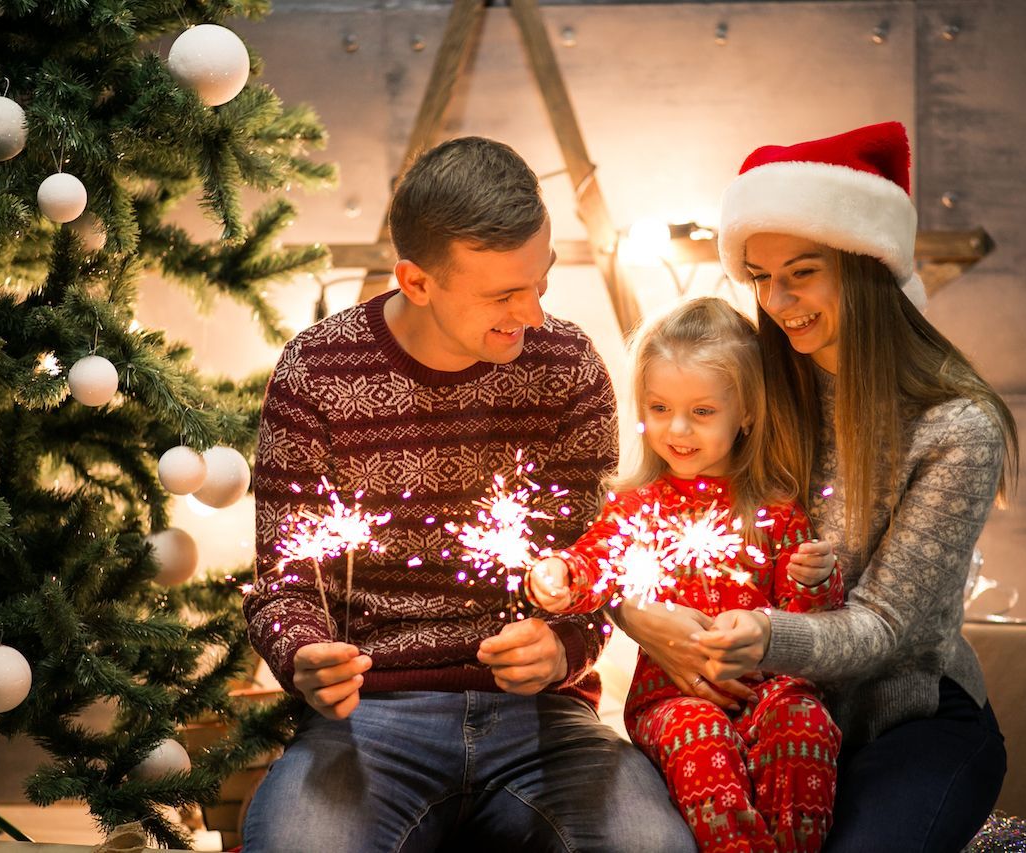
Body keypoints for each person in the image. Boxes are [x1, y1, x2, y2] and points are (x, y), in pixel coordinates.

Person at [240, 136, 694, 852]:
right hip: (370, 718)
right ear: (416, 282)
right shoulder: (316, 370)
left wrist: (564, 645)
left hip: (542, 720)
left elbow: (596, 564)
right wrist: (303, 656)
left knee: (651, 846)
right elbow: (283, 581)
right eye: (504, 295)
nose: (534, 314)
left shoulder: (567, 367)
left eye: (539, 282)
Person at [613, 122, 1018, 853]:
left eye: (802, 271)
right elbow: (637, 516)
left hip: (905, 716)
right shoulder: (763, 381)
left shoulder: (957, 426)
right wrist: (639, 615)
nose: (778, 299)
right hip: (754, 711)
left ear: (863, 265)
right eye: (762, 276)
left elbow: (887, 628)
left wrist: (767, 636)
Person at [525, 297, 843, 852]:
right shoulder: (635, 507)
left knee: (805, 721)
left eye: (701, 412)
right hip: (672, 699)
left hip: (770, 692)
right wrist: (560, 574)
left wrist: (815, 581)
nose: (677, 429)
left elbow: (807, 626)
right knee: (701, 736)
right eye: (659, 407)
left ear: (745, 413)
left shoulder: (776, 511)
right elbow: (599, 560)